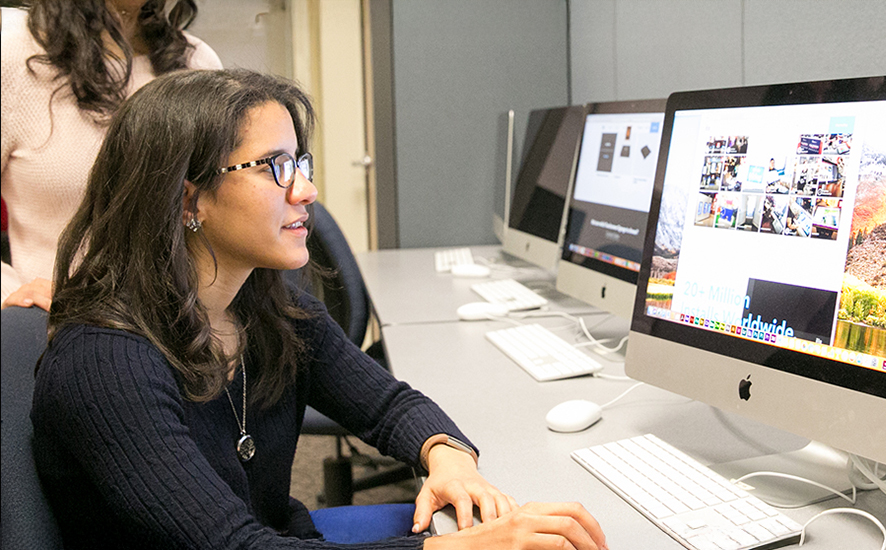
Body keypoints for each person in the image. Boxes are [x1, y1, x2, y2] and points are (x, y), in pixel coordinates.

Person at [32, 68, 608, 549]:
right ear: (188, 196)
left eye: (300, 164)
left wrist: (450, 458)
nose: (305, 190)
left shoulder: (268, 311)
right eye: (275, 167)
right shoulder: (106, 363)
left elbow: (388, 405)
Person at [1, 0, 221, 309]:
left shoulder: (198, 62)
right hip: (54, 330)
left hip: (180, 326)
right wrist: (14, 298)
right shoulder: (12, 52)